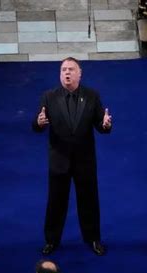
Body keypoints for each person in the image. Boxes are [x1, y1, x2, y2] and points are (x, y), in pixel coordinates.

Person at [32, 57, 112, 256]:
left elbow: (101, 125)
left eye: (70, 69)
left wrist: (106, 125)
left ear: (79, 74)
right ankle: (51, 240)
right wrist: (39, 123)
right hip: (59, 160)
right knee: (56, 202)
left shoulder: (92, 96)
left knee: (89, 201)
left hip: (85, 160)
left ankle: (93, 239)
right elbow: (36, 125)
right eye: (63, 70)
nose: (66, 73)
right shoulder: (49, 97)